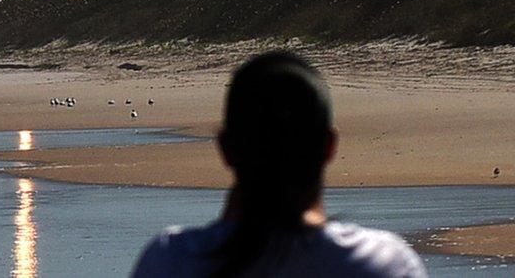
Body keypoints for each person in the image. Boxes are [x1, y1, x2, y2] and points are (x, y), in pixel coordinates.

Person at [131, 52, 426, 277]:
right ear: (329, 147)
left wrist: (229, 220)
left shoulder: (172, 260)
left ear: (226, 149)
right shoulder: (382, 263)